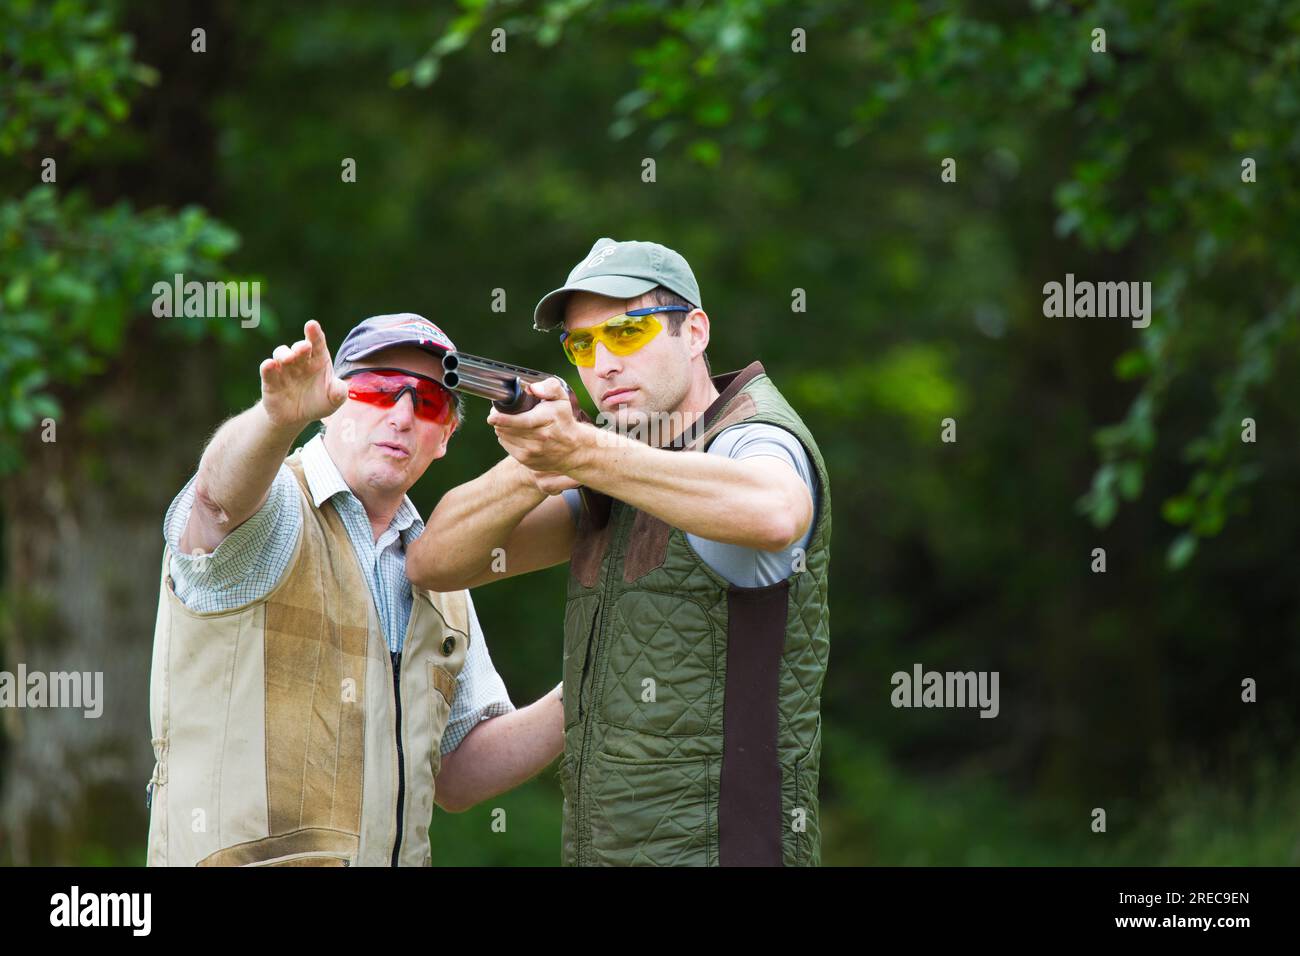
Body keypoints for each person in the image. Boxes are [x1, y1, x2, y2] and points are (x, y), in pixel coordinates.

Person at [407, 239, 832, 866]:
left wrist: (578, 451)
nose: (602, 363)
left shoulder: (753, 433)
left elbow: (774, 511)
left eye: (627, 333)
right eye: (581, 345)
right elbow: (435, 561)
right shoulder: (622, 460)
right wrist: (537, 463)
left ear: (694, 332)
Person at [146, 313, 563, 866]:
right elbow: (215, 502)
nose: (404, 414)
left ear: (445, 438)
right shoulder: (276, 506)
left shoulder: (440, 571)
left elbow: (459, 773)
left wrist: (586, 686)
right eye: (380, 389)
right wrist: (274, 420)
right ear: (331, 405)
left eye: (431, 402)